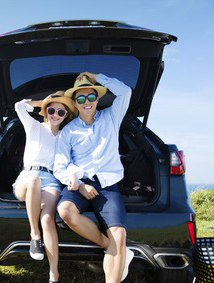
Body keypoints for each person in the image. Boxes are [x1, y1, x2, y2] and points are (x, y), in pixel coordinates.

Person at [54, 72, 134, 283]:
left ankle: (115, 249)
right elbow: (59, 166)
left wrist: (96, 76)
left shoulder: (111, 117)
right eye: (81, 99)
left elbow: (125, 92)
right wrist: (79, 184)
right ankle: (110, 246)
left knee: (119, 233)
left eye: (91, 97)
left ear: (97, 99)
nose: (86, 102)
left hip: (108, 185)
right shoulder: (67, 132)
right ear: (75, 103)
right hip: (80, 184)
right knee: (65, 210)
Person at [13, 92, 77, 283]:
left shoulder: (66, 137)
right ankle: (35, 235)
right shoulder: (34, 127)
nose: (55, 114)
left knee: (48, 219)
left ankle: (54, 275)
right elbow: (19, 106)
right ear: (45, 111)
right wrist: (46, 101)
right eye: (51, 110)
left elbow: (71, 161)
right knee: (34, 180)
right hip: (26, 178)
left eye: (60, 111)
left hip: (51, 181)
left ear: (66, 116)